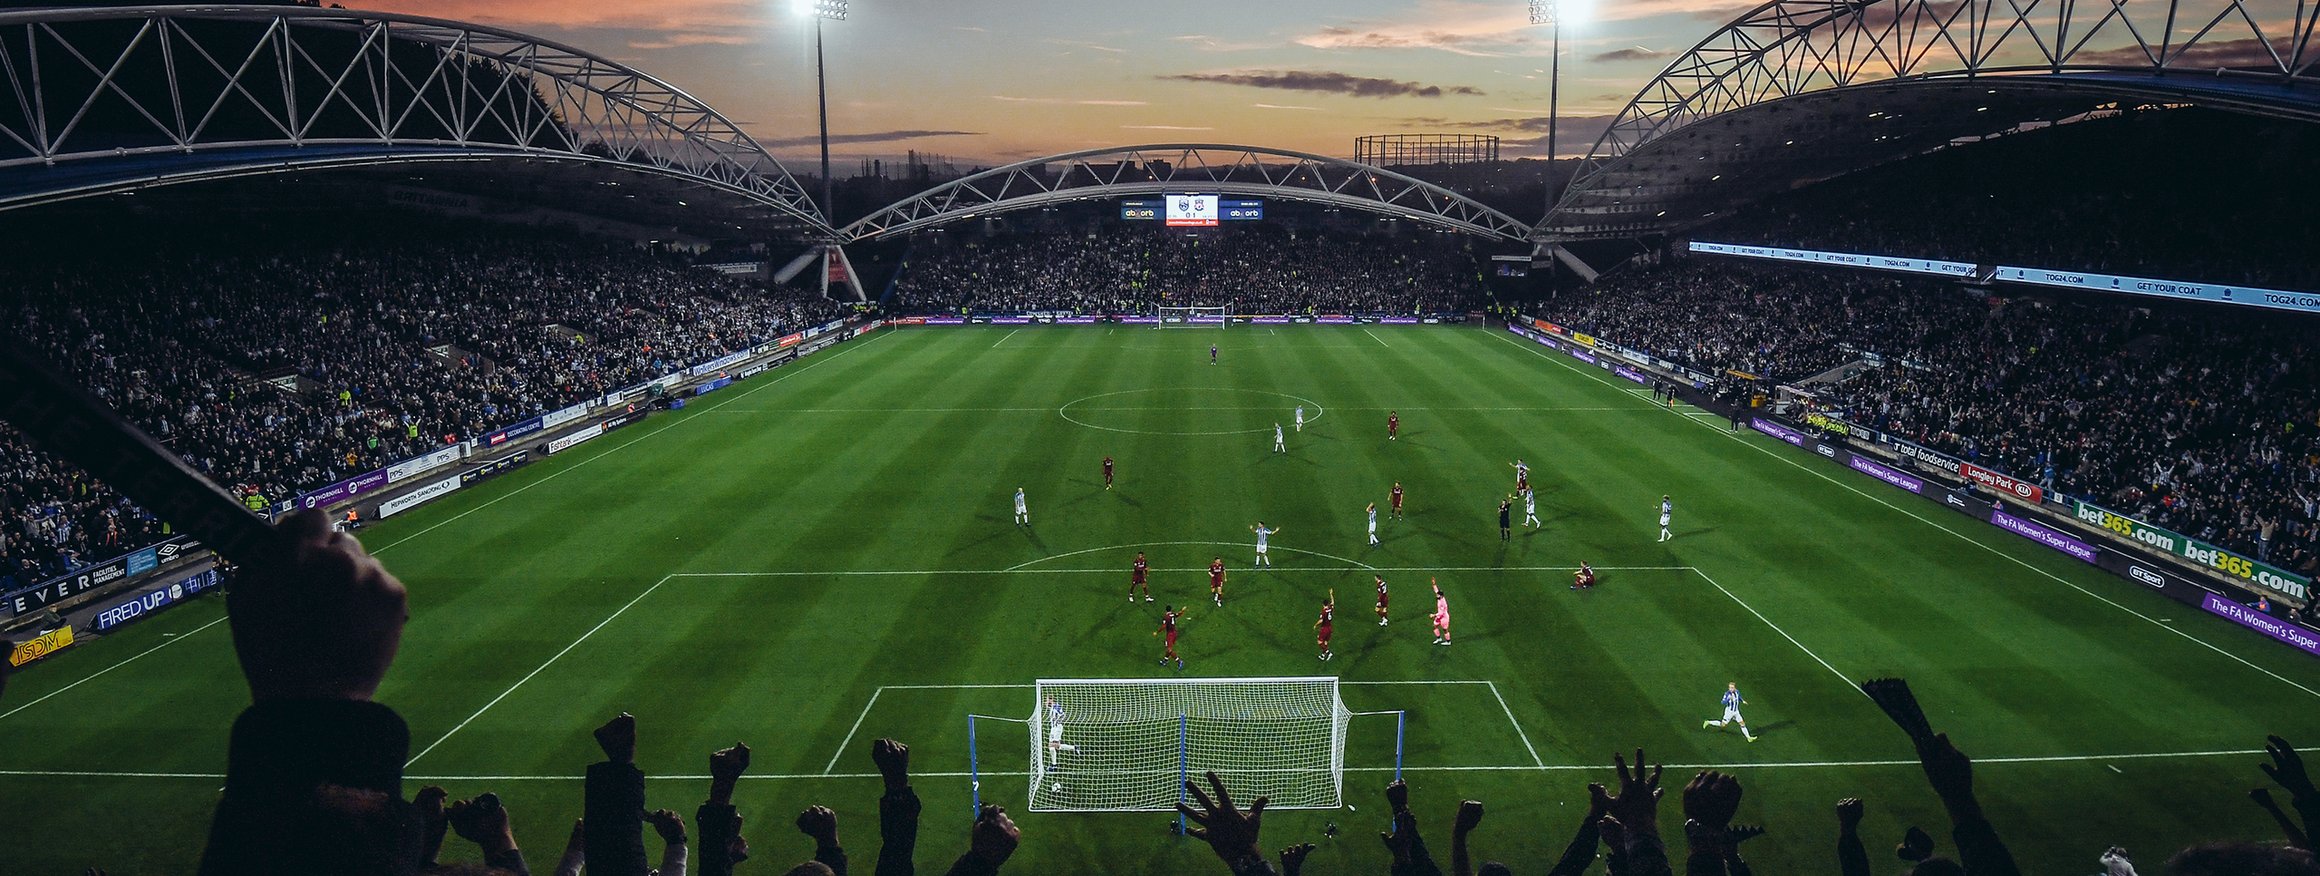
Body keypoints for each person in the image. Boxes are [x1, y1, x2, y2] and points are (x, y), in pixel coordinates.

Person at [1314, 594, 1335, 661]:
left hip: (1325, 629)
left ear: (1323, 604)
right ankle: (1323, 655)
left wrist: (1315, 625)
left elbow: (1321, 620)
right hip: (1329, 628)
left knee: (1319, 642)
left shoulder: (1323, 612)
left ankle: (1328, 652)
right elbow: (1333, 602)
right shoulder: (1330, 608)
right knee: (1325, 642)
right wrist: (1331, 594)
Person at [1431, 578, 1451, 646]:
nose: (1437, 595)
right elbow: (1436, 590)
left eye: (1438, 595)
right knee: (1434, 626)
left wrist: (1434, 615)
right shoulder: (1439, 598)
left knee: (1445, 630)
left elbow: (1442, 613)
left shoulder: (1443, 603)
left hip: (1444, 617)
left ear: (1441, 596)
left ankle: (1448, 641)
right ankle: (1439, 638)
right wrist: (1434, 584)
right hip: (1439, 616)